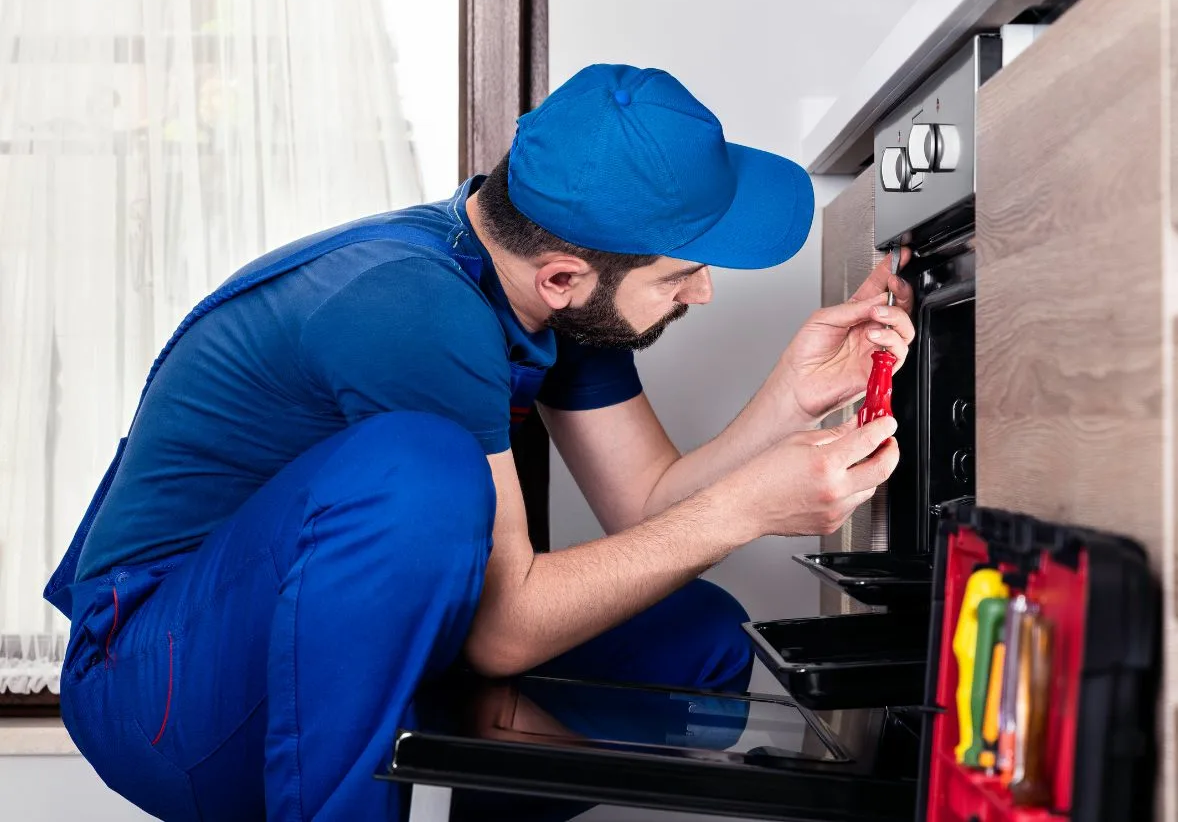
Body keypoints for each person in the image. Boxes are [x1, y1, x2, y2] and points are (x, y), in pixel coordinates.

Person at [44, 63, 914, 821]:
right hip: (160, 690)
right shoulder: (411, 306)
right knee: (423, 471)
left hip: (323, 650)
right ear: (565, 277)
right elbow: (507, 631)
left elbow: (647, 504)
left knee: (700, 643)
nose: (705, 293)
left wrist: (795, 400)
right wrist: (746, 509)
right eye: (681, 272)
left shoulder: (545, 286)